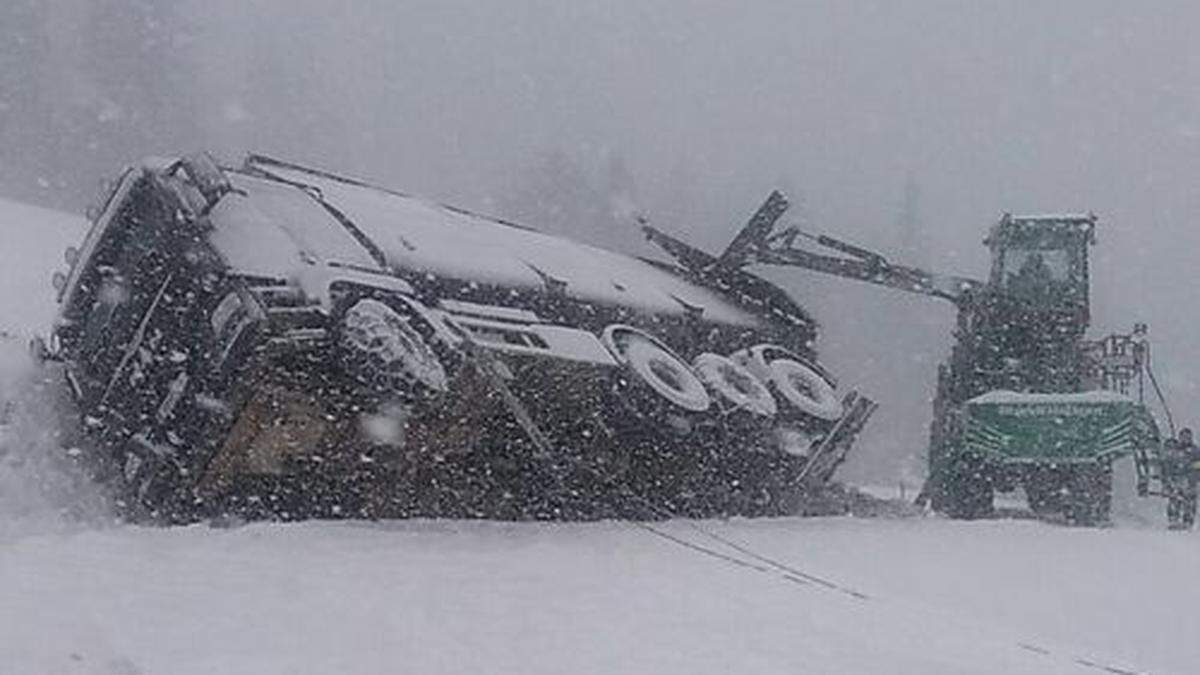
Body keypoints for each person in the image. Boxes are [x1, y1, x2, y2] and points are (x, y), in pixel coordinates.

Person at [1162, 428, 1200, 530]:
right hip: (1176, 480)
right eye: (1183, 437)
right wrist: (1169, 479)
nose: (1185, 439)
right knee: (1174, 500)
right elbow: (1168, 466)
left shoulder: (1196, 451)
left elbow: (1198, 466)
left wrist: (1193, 473)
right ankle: (1173, 519)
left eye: (1187, 437)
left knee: (1190, 503)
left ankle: (1187, 522)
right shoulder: (1174, 451)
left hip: (1191, 482)